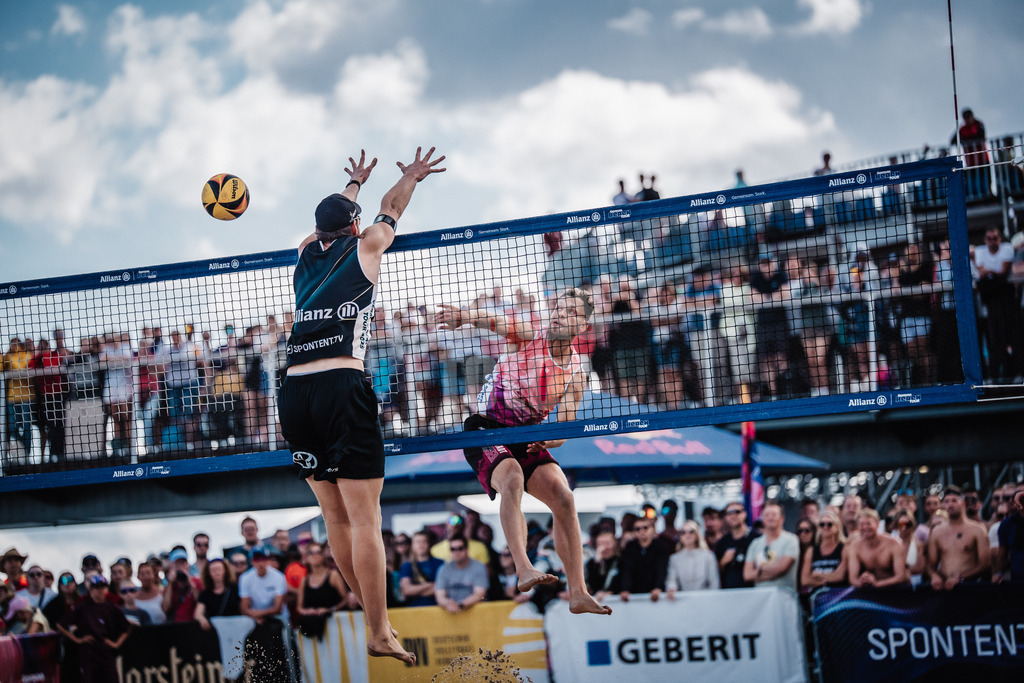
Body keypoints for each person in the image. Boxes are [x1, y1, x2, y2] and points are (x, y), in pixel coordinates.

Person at [277, 146, 443, 665]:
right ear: (354, 226)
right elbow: (390, 208)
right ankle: (378, 628)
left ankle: (378, 622)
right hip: (340, 386)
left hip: (294, 392)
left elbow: (330, 223)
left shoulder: (305, 252)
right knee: (365, 518)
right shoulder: (366, 244)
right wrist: (410, 178)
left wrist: (350, 187)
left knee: (336, 519)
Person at [435, 286, 612, 617]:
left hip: (530, 434)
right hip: (487, 426)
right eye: (559, 307)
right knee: (512, 479)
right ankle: (522, 568)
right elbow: (493, 320)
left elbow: (565, 428)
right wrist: (464, 316)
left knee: (564, 496)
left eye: (571, 311)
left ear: (583, 325)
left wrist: (550, 439)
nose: (561, 313)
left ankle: (578, 591)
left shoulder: (576, 373)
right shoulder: (531, 336)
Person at [57, 574, 130, 683]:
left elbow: (126, 628)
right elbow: (60, 625)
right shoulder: (83, 607)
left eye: (102, 587)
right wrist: (78, 640)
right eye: (97, 587)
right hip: (89, 652)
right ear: (91, 590)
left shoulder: (112, 608)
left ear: (107, 589)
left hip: (106, 651)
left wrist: (117, 644)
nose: (100, 590)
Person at [926, 486, 991, 588]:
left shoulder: (977, 530)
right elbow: (931, 564)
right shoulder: (937, 532)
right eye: (947, 501)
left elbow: (985, 564)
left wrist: (961, 578)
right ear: (943, 506)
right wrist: (934, 576)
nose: (950, 504)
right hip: (945, 587)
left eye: (954, 501)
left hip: (970, 586)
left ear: (963, 504)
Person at [743, 502, 800, 590]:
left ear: (782, 518)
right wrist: (772, 572)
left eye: (774, 515)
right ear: (762, 519)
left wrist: (758, 572)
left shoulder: (791, 540)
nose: (770, 518)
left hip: (784, 597)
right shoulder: (755, 543)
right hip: (761, 598)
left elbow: (781, 568)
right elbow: (747, 575)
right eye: (767, 515)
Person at [295, 542, 346, 640]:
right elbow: (299, 607)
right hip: (311, 630)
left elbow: (345, 599)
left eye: (318, 552)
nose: (315, 556)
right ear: (306, 557)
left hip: (334, 626)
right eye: (311, 553)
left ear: (323, 555)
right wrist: (306, 611)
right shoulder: (304, 580)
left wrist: (330, 609)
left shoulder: (332, 575)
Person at [847, 509, 907, 588]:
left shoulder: (894, 543)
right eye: (861, 524)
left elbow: (901, 576)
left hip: (894, 591)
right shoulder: (855, 547)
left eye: (868, 523)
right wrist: (862, 582)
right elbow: (853, 579)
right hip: (869, 593)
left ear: (878, 524)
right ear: (857, 527)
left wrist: (877, 584)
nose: (865, 527)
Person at [434, 536, 489, 614]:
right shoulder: (443, 569)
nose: (457, 552)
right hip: (451, 614)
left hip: (475, 615)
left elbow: (480, 594)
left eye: (460, 548)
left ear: (467, 549)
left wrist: (460, 605)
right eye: (453, 549)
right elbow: (440, 596)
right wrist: (448, 604)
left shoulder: (479, 567)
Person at [665, 520, 720, 596]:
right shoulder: (674, 559)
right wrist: (671, 589)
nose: (687, 535)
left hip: (705, 600)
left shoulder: (708, 556)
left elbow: (714, 584)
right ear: (680, 536)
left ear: (697, 534)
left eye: (691, 531)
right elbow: (671, 581)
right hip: (682, 602)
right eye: (683, 532)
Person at [714, 501, 761, 589]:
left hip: (755, 591)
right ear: (726, 517)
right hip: (730, 593)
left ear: (745, 514)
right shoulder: (722, 542)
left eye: (737, 512)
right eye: (729, 513)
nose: (733, 516)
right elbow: (714, 571)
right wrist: (723, 562)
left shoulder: (757, 539)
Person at [800, 509, 848, 591]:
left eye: (829, 524)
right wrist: (826, 580)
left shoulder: (844, 548)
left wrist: (817, 575)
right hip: (817, 595)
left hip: (838, 594)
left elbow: (839, 576)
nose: (825, 527)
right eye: (822, 524)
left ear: (837, 527)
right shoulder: (811, 551)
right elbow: (804, 580)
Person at [399, 531, 444, 607]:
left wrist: (415, 590)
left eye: (424, 541)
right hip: (413, 610)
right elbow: (407, 590)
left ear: (429, 544)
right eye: (418, 542)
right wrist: (430, 585)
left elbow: (442, 588)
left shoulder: (440, 563)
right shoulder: (406, 566)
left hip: (436, 608)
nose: (421, 545)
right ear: (412, 545)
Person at [194, 558, 241, 630]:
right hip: (215, 630)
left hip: (235, 627)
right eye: (213, 570)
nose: (217, 572)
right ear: (208, 573)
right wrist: (202, 619)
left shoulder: (235, 588)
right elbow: (198, 613)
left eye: (219, 569)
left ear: (225, 570)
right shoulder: (205, 593)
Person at [132, 561, 165, 626]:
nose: (146, 577)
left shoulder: (162, 592)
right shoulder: (133, 597)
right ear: (138, 577)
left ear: (153, 574)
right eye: (142, 574)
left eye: (148, 573)